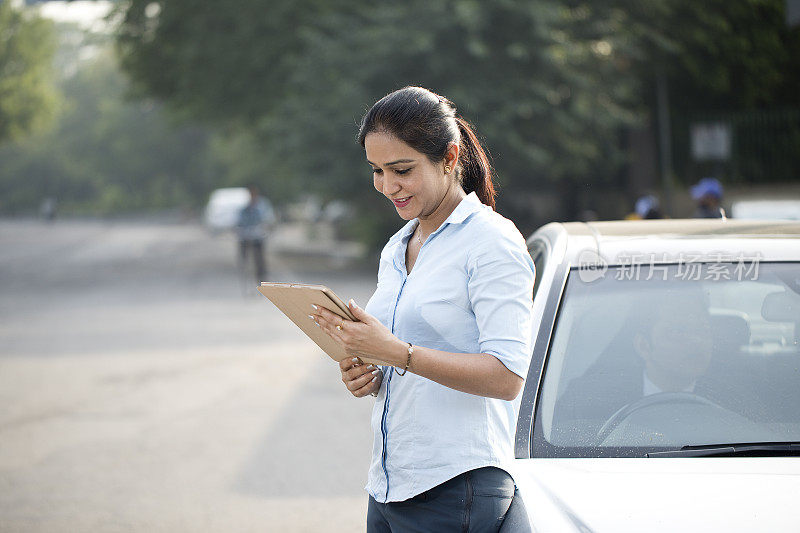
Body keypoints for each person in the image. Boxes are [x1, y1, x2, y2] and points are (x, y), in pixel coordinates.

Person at [309, 87, 536, 532]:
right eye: (377, 170)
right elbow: (406, 355)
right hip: (390, 484)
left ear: (449, 158)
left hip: (456, 486)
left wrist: (399, 354)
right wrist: (372, 375)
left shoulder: (492, 242)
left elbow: (508, 377)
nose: (387, 185)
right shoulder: (398, 246)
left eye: (402, 169)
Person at [236, 184, 275, 283]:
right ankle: (244, 268)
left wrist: (266, 227)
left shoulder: (262, 205)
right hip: (246, 236)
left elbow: (268, 219)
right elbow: (240, 221)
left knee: (259, 258)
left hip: (258, 236)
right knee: (244, 254)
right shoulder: (244, 207)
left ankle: (261, 276)